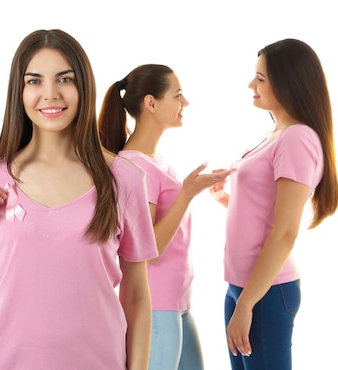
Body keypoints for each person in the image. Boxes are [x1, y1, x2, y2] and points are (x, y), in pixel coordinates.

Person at [0, 29, 157, 370]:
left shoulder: (125, 179)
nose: (50, 94)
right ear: (20, 91)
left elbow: (136, 297)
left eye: (64, 79)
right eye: (34, 81)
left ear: (83, 87)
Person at [209, 39, 338, 370]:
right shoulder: (276, 134)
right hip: (243, 287)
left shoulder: (297, 139)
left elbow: (284, 232)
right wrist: (228, 200)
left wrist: (247, 304)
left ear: (288, 82)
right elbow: (266, 214)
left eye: (260, 79)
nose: (251, 85)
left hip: (263, 293)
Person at [98, 64, 232, 370]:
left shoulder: (153, 161)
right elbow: (147, 252)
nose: (185, 103)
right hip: (157, 307)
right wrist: (186, 194)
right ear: (151, 103)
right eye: (178, 94)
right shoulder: (133, 166)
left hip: (178, 303)